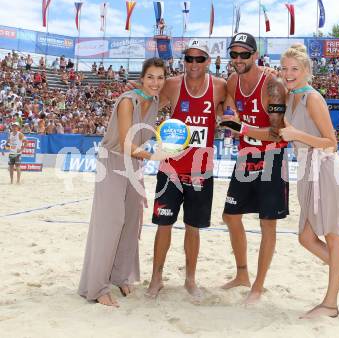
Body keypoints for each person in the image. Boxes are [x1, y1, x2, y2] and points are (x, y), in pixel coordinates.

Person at [278, 43, 339, 319]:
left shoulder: (312, 98)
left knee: (333, 238)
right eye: (284, 68)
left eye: (295, 69)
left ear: (307, 71)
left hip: (326, 169)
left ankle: (330, 304)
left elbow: (331, 143)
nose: (288, 73)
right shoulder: (290, 97)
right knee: (307, 238)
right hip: (307, 171)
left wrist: (296, 134)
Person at [78, 58, 177, 307]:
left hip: (134, 164)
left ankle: (121, 275)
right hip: (112, 161)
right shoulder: (127, 101)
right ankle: (97, 286)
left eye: (160, 78)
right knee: (111, 222)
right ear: (142, 78)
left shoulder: (155, 100)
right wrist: (155, 156)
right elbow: (125, 144)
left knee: (132, 221)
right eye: (151, 77)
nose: (155, 83)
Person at [146, 39, 226, 299]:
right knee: (164, 225)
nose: (193, 64)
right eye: (189, 59)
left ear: (208, 61)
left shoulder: (219, 87)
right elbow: (148, 104)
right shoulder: (172, 85)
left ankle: (190, 280)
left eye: (199, 59)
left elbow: (235, 111)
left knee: (193, 227)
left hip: (200, 171)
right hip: (170, 167)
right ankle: (156, 278)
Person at [220, 32, 289, 304]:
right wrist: (228, 114)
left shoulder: (272, 85)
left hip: (272, 158)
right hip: (246, 157)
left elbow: (278, 133)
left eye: (244, 54)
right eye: (234, 54)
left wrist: (241, 127)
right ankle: (242, 274)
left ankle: (258, 287)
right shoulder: (232, 82)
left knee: (267, 224)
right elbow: (227, 104)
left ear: (255, 56)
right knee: (230, 215)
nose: (238, 59)